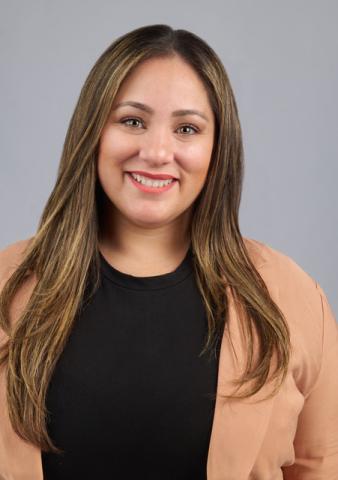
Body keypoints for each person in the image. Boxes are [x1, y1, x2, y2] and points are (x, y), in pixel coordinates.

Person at [0, 24, 337, 480]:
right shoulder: (6, 285)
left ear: (218, 147)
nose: (157, 152)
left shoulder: (292, 300)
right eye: (132, 121)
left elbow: (323, 465)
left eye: (186, 128)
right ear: (92, 132)